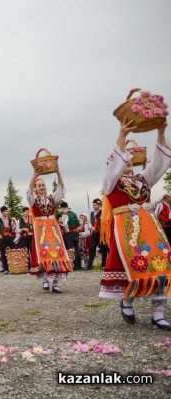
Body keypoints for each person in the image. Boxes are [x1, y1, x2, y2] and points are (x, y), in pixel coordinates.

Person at [100, 119, 171, 330]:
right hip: (127, 231)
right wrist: (121, 135)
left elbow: (159, 164)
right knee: (134, 265)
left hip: (150, 228)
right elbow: (113, 166)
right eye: (125, 155)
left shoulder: (142, 180)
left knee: (162, 263)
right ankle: (127, 300)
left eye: (132, 154)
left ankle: (158, 314)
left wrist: (160, 131)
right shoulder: (111, 182)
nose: (129, 158)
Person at [28, 168, 70, 293]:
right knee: (43, 253)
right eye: (39, 185)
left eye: (43, 185)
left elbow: (61, 188)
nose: (41, 187)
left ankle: (56, 283)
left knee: (57, 253)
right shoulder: (33, 200)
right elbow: (28, 191)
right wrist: (34, 176)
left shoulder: (52, 199)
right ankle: (45, 280)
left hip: (52, 228)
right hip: (41, 228)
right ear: (35, 188)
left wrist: (58, 173)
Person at [86, 198, 108, 270]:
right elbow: (89, 222)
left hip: (101, 233)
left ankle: (103, 265)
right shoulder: (92, 213)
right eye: (93, 205)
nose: (93, 206)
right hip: (94, 233)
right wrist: (91, 227)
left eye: (95, 205)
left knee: (103, 249)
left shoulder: (103, 212)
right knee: (92, 248)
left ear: (99, 205)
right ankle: (89, 265)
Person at [59, 201, 82, 271]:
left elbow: (65, 225)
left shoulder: (65, 215)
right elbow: (78, 223)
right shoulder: (74, 214)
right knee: (77, 249)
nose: (61, 210)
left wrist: (65, 230)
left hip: (69, 234)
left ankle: (72, 265)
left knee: (70, 249)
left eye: (61, 209)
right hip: (75, 233)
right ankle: (78, 265)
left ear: (63, 208)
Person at [0, 206, 14, 274]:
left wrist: (10, 234)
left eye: (7, 211)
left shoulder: (9, 220)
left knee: (12, 251)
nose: (7, 212)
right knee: (3, 253)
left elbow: (11, 230)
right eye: (6, 211)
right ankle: (6, 269)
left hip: (9, 238)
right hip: (2, 239)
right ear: (2, 212)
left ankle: (13, 267)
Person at [17, 207, 33, 272]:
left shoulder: (31, 220)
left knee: (32, 251)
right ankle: (27, 267)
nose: (27, 213)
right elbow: (17, 230)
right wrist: (22, 229)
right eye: (26, 212)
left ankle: (34, 266)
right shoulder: (19, 220)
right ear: (23, 212)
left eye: (28, 212)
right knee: (25, 252)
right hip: (23, 238)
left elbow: (34, 228)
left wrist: (32, 233)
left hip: (30, 238)